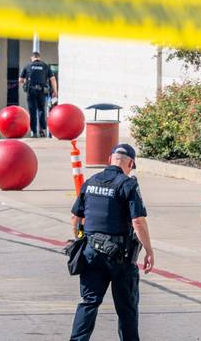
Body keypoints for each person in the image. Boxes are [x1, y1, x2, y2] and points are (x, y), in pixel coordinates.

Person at [69, 143, 155, 341]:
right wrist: (149, 250)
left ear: (110, 160)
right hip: (120, 256)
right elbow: (138, 221)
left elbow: (75, 218)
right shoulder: (128, 184)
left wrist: (80, 239)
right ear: (130, 164)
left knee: (89, 302)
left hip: (91, 252)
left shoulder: (90, 182)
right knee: (126, 308)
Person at [18, 51, 57, 137]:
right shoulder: (45, 66)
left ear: (32, 58)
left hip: (31, 91)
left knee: (32, 111)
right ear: (39, 57)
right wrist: (55, 91)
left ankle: (34, 132)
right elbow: (53, 79)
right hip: (42, 91)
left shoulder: (27, 66)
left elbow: (20, 80)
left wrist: (24, 85)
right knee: (41, 109)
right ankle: (42, 130)